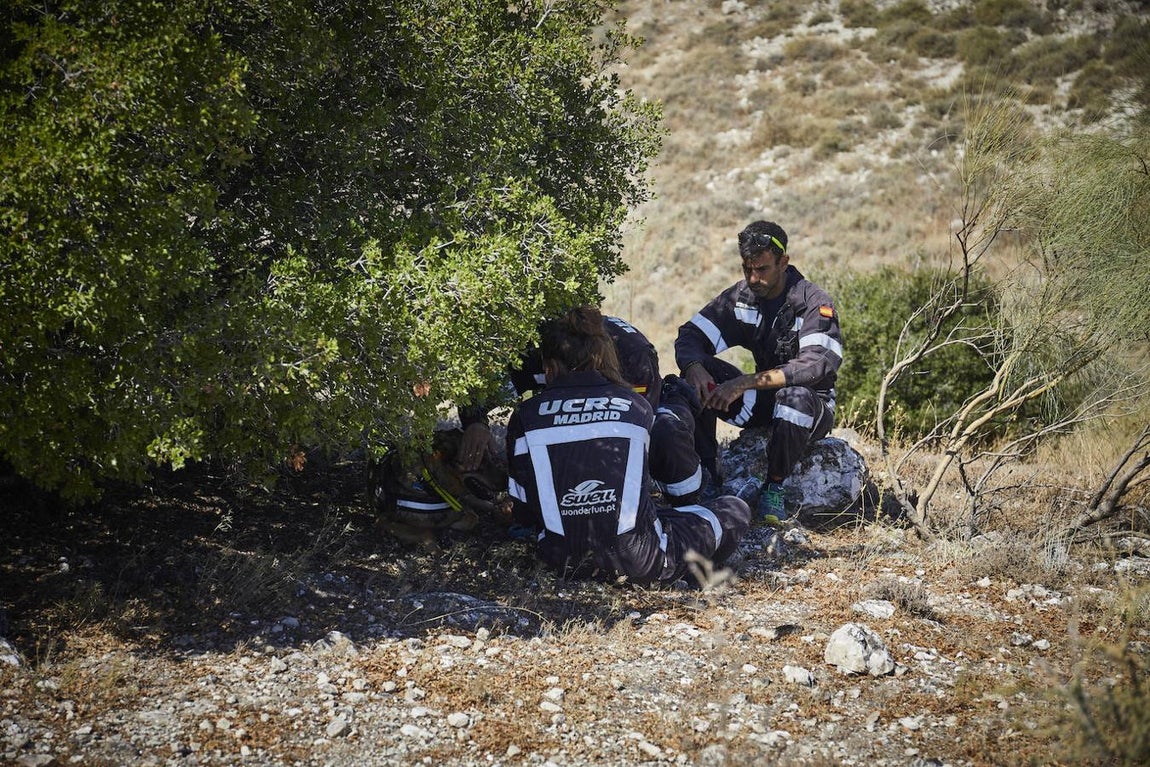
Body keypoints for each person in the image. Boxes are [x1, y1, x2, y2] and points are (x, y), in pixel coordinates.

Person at [506, 305, 750, 584]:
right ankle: (694, 579)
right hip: (640, 559)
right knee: (735, 509)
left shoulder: (525, 416)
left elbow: (523, 511)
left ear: (548, 368)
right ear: (602, 356)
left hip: (560, 561)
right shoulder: (637, 406)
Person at [674, 219, 843, 521]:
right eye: (746, 269)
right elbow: (690, 335)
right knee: (688, 383)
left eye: (761, 269)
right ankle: (708, 474)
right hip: (763, 403)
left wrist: (743, 383)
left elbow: (816, 366)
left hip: (810, 407)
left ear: (784, 262)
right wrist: (694, 366)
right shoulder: (742, 297)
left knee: (794, 397)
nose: (753, 278)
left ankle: (774, 488)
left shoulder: (812, 302)